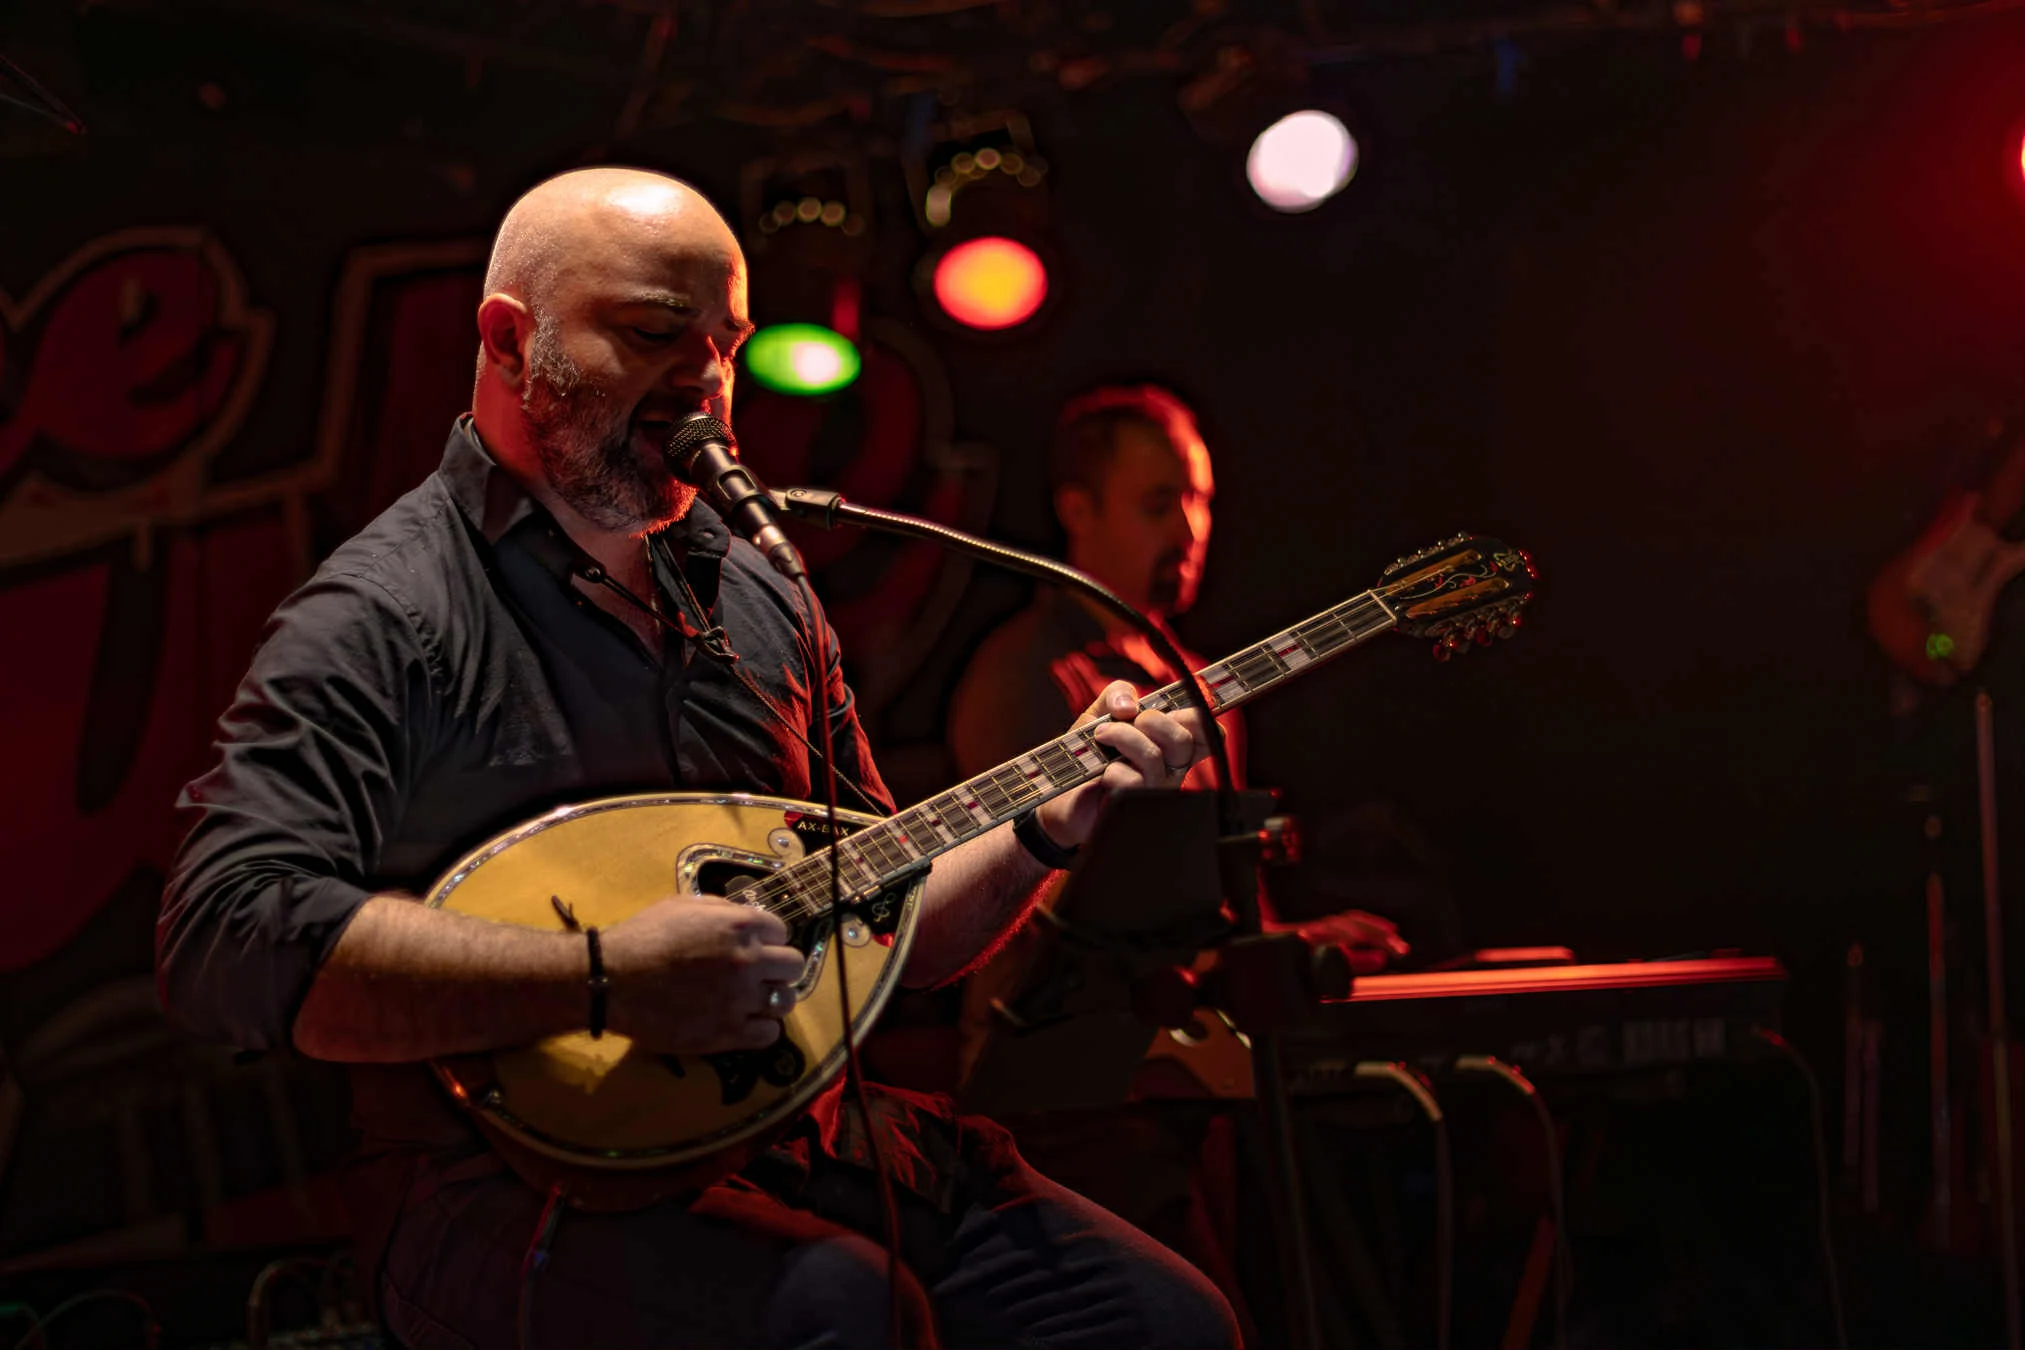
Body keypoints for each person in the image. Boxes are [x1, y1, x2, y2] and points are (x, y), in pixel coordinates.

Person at [155, 168, 1239, 1350]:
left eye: (724, 346)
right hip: (510, 1190)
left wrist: (1047, 825)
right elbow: (232, 932)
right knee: (845, 1312)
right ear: (511, 342)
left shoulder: (763, 588)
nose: (705, 384)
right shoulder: (386, 609)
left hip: (813, 1143)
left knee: (1163, 1321)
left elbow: (892, 924)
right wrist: (602, 976)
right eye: (653, 334)